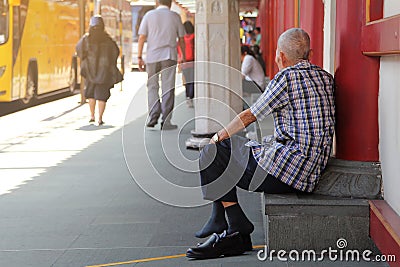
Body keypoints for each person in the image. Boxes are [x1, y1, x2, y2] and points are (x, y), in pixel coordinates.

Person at [186, 28, 335, 259]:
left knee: (213, 152)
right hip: (311, 171)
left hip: (288, 172)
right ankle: (227, 224)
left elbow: (250, 116)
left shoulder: (286, 78)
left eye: (277, 54)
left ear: (281, 57)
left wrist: (216, 137)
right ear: (310, 53)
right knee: (223, 150)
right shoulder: (325, 77)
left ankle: (231, 222)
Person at [137, 0, 186, 130]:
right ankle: (166, 120)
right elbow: (181, 39)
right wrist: (184, 57)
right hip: (169, 55)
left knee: (152, 86)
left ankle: (153, 115)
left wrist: (139, 57)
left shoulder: (149, 15)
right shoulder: (175, 16)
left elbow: (142, 37)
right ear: (170, 3)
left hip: (152, 57)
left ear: (157, 2)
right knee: (168, 87)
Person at [76, 15, 120, 126]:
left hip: (90, 71)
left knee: (91, 94)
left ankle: (92, 116)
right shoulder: (108, 39)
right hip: (104, 72)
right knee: (102, 95)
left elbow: (79, 51)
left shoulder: (86, 39)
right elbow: (115, 52)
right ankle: (100, 118)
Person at [178, 21, 195, 108]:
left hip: (184, 62)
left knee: (187, 80)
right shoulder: (194, 37)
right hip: (192, 62)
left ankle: (188, 96)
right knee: (192, 80)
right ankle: (191, 96)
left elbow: (178, 50)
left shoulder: (182, 38)